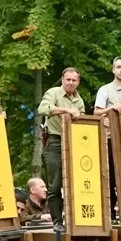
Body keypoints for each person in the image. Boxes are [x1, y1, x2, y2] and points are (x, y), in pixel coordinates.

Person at [36, 67, 86, 228]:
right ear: (63, 79)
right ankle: (57, 222)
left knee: (77, 183)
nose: (70, 83)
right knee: (55, 185)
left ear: (78, 82)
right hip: (55, 141)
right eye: (68, 79)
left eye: (74, 80)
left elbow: (84, 121)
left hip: (74, 142)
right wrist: (66, 110)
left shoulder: (79, 100)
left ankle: (77, 220)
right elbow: (42, 109)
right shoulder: (53, 93)